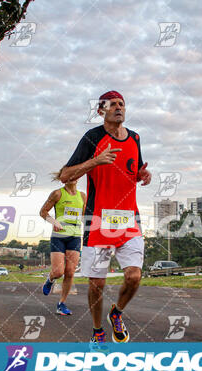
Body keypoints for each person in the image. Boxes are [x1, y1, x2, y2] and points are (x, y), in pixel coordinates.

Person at [59, 90, 151, 344]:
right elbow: (65, 175)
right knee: (97, 283)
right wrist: (95, 161)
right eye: (112, 105)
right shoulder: (92, 138)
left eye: (122, 103)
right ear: (101, 111)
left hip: (129, 219)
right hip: (98, 220)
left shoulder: (135, 138)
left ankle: (117, 313)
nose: (119, 108)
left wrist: (143, 176)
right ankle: (97, 330)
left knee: (134, 276)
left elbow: (135, 171)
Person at [40, 173, 86, 316]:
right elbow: (43, 212)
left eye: (76, 174)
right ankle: (50, 279)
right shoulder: (57, 194)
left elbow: (84, 216)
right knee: (59, 272)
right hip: (59, 237)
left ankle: (62, 304)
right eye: (70, 175)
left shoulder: (82, 196)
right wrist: (54, 222)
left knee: (70, 272)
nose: (74, 177)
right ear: (64, 179)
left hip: (75, 237)